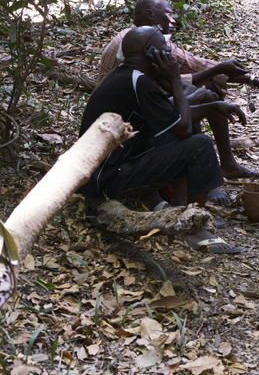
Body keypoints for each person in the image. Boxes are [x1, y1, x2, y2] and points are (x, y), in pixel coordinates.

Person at [78, 27, 247, 253]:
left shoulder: (130, 76)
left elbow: (174, 119)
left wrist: (214, 106)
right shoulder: (139, 83)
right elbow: (184, 128)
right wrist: (175, 80)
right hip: (106, 179)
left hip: (103, 172)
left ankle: (179, 208)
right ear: (150, 53)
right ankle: (194, 228)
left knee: (183, 134)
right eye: (165, 49)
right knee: (200, 144)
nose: (170, 54)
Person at [98, 0, 259, 180]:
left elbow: (189, 72)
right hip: (126, 126)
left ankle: (223, 165)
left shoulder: (142, 38)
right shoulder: (143, 43)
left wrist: (251, 80)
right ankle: (198, 169)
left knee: (202, 89)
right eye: (168, 14)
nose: (173, 20)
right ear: (150, 15)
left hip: (136, 110)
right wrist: (249, 80)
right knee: (196, 100)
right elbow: (194, 71)